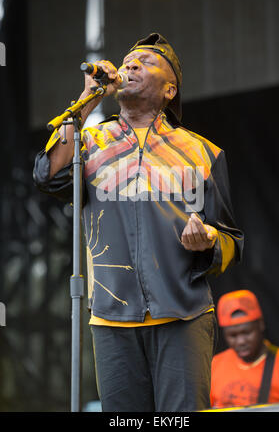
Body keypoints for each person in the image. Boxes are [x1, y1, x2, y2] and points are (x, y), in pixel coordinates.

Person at [33, 33, 244, 412]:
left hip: (184, 316)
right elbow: (49, 174)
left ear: (169, 89)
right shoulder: (91, 142)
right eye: (128, 60)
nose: (130, 65)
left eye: (145, 62)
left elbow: (232, 240)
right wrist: (86, 101)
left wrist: (211, 239)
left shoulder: (202, 151)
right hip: (112, 318)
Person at [210, 289, 279, 409]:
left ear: (260, 324)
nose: (241, 341)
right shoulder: (215, 365)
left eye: (246, 332)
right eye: (233, 335)